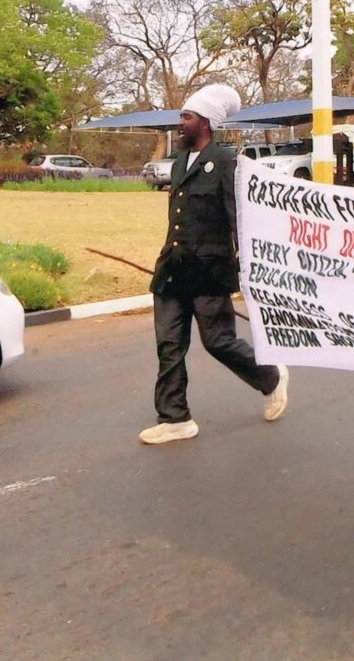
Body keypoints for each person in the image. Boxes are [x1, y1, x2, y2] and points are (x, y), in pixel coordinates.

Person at [139, 84, 289, 445]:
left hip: (210, 270)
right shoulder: (178, 163)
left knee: (219, 342)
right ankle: (175, 419)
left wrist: (247, 265)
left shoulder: (226, 162)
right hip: (173, 269)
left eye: (186, 118)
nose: (180, 123)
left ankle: (270, 378)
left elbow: (238, 218)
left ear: (205, 123)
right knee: (169, 345)